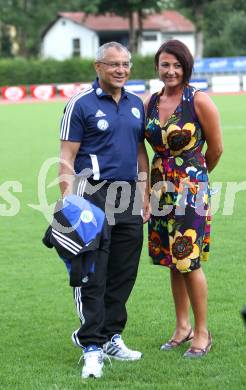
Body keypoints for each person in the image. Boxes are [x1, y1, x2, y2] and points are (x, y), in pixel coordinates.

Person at [58, 41, 150, 378]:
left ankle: (112, 336)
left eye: (126, 64)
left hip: (127, 196)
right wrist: (69, 201)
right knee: (91, 272)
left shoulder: (136, 104)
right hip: (91, 196)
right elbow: (66, 158)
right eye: (114, 65)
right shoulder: (79, 104)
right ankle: (92, 346)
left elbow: (141, 152)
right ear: (98, 67)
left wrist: (145, 191)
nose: (122, 70)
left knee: (123, 272)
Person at [145, 40, 223, 358]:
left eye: (177, 65)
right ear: (158, 67)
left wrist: (196, 177)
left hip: (191, 187)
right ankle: (182, 326)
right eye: (165, 64)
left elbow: (215, 150)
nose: (171, 70)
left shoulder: (198, 100)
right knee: (171, 261)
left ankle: (202, 333)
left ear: (186, 67)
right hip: (160, 188)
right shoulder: (151, 101)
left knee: (187, 259)